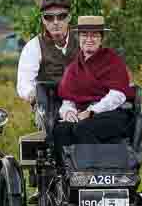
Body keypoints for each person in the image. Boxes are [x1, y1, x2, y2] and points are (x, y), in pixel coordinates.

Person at [52, 15, 135, 165]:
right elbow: (68, 99)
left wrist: (91, 111)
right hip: (81, 114)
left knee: (83, 128)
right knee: (61, 130)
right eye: (85, 35)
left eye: (94, 35)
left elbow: (118, 95)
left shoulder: (112, 60)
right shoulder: (73, 68)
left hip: (111, 114)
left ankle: (94, 171)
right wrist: (68, 112)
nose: (89, 39)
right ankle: (66, 176)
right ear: (79, 38)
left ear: (101, 39)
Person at [16, 0, 79, 104]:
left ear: (69, 17)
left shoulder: (83, 42)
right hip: (49, 108)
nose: (55, 22)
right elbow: (24, 84)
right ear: (43, 20)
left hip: (82, 105)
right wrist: (35, 95)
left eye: (61, 16)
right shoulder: (33, 47)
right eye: (49, 17)